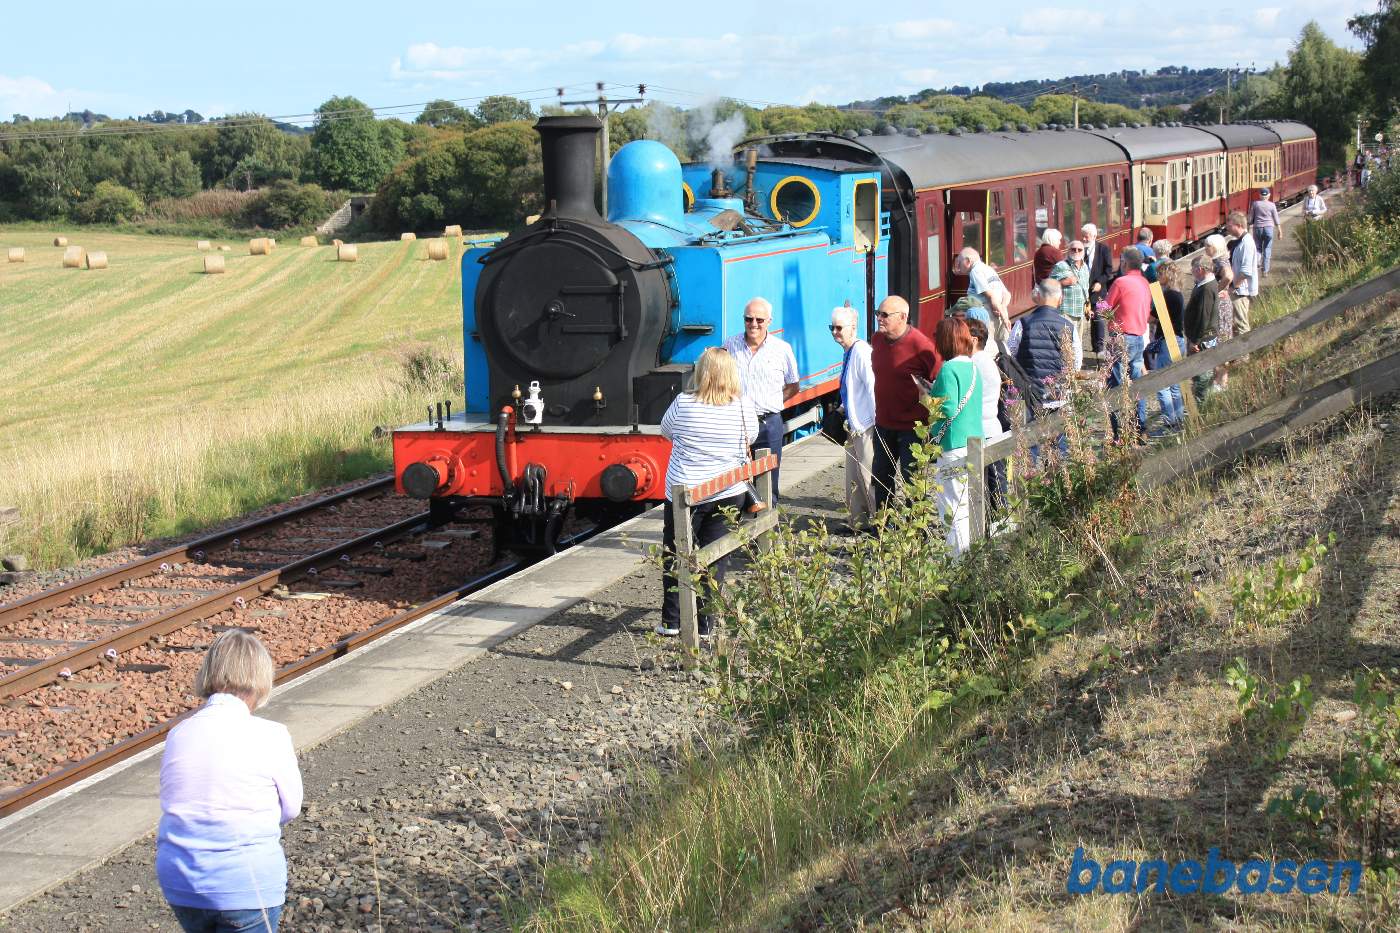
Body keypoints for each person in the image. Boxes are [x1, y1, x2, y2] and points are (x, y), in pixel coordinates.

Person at [157, 630, 302, 933]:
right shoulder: (271, 735)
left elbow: (175, 797)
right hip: (245, 884)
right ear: (261, 678)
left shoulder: (179, 733)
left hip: (182, 882)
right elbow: (291, 809)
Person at [656, 347, 758, 638]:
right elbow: (750, 437)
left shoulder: (683, 403)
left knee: (676, 554)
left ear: (701, 372)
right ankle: (704, 625)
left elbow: (666, 431)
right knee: (715, 560)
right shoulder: (742, 406)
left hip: (685, 494)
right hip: (728, 493)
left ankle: (672, 622)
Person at [723, 297, 798, 500]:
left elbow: (793, 385)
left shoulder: (782, 349)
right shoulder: (730, 344)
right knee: (738, 477)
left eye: (759, 320)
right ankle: (740, 523)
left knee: (769, 476)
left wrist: (773, 402)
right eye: (748, 319)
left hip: (768, 422)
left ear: (769, 321)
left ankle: (770, 523)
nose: (753, 324)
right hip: (738, 423)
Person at [869, 295, 938, 512]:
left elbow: (939, 380)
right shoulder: (878, 340)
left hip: (912, 428)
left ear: (903, 317)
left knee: (913, 484)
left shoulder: (921, 345)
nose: (879, 319)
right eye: (877, 313)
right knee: (880, 480)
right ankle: (882, 529)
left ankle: (916, 533)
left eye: (884, 315)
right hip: (883, 425)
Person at [926, 317, 983, 555]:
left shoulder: (948, 369)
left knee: (951, 504)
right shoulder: (972, 365)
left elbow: (946, 409)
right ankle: (969, 552)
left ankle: (958, 557)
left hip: (952, 443)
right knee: (967, 503)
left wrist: (926, 397)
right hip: (974, 440)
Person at [1011, 279, 1073, 461]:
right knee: (1058, 446)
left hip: (1030, 394)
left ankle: (1030, 482)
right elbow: (1075, 363)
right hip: (1059, 394)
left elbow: (1011, 354)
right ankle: (1057, 479)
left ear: (1037, 296)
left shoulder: (1022, 324)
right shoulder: (1068, 326)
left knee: (1030, 445)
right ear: (1060, 298)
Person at [830, 306, 877, 532]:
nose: (835, 332)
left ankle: (879, 523)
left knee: (867, 478)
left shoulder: (861, 352)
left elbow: (872, 388)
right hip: (853, 424)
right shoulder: (848, 352)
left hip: (866, 425)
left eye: (839, 328)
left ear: (853, 328)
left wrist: (877, 422)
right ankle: (858, 522)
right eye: (832, 327)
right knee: (853, 478)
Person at [1105, 248, 1152, 437]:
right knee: (1137, 383)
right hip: (1139, 337)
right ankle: (1140, 427)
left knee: (1115, 384)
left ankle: (1118, 432)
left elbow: (1106, 307)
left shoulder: (1120, 282)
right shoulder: (1144, 282)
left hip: (1121, 338)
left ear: (1124, 263)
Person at [966, 317, 1007, 513]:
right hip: (990, 427)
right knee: (995, 483)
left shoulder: (975, 363)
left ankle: (997, 528)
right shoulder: (984, 360)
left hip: (983, 430)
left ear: (973, 339)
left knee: (991, 485)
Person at [1148, 259, 1187, 433]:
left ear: (1167, 275)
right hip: (1178, 338)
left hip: (1169, 339)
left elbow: (1153, 318)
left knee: (1161, 382)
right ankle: (1178, 419)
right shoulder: (1178, 293)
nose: (1157, 277)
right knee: (1174, 383)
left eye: (1160, 273)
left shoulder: (1168, 295)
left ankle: (1169, 422)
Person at [954, 247, 1012, 343]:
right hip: (1000, 313)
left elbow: (991, 296)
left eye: (959, 262)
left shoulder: (975, 271)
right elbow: (1006, 294)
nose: (958, 266)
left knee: (986, 347)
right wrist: (1003, 309)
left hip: (988, 316)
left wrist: (1004, 318)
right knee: (1003, 346)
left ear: (968, 261)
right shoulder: (989, 269)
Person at [1182, 254, 1219, 402]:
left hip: (1202, 339)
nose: (1192, 272)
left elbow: (1204, 317)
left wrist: (1195, 341)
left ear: (1200, 269)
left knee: (1202, 375)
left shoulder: (1206, 288)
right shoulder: (1204, 284)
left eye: (1193, 269)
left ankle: (1203, 405)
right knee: (1200, 375)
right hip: (1201, 337)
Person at [1050, 239, 1091, 370]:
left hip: (1080, 312)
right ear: (1068, 251)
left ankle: (1074, 371)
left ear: (1084, 252)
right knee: (1065, 345)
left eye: (1079, 250)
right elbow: (1049, 284)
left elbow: (1086, 289)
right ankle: (1065, 370)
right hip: (1066, 311)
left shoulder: (1085, 267)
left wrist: (1088, 308)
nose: (1076, 252)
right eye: (1073, 249)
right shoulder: (1061, 265)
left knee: (1077, 345)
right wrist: (1065, 282)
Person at [1080, 223, 1115, 355]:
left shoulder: (1103, 250)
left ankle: (1099, 347)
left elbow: (1108, 269)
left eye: (1086, 237)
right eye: (1082, 236)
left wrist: (1100, 282)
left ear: (1094, 236)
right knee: (1088, 317)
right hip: (1085, 291)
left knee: (1098, 319)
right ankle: (1093, 345)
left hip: (1099, 290)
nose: (1084, 239)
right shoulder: (1080, 250)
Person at [1226, 210, 1258, 339]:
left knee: (1241, 324)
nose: (1227, 227)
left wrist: (1234, 287)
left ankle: (1245, 356)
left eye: (1229, 225)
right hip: (1239, 289)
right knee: (1236, 323)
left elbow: (1245, 271)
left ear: (1238, 225)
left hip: (1241, 291)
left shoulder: (1247, 243)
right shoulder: (1241, 241)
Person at [1213, 260, 1235, 391]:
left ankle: (1220, 381)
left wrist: (1215, 291)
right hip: (1223, 305)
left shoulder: (1222, 262)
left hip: (1221, 307)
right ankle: (1222, 381)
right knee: (1222, 340)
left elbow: (1228, 276)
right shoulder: (1221, 261)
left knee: (1221, 341)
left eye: (1208, 246)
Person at [1249, 188, 1283, 276]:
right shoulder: (1272, 205)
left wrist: (1249, 226)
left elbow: (1251, 218)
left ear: (1260, 195)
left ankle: (1257, 263)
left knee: (1258, 248)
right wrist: (1280, 231)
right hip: (1269, 229)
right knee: (1267, 249)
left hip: (1258, 228)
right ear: (1269, 195)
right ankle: (1265, 271)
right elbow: (1276, 218)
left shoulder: (1255, 204)